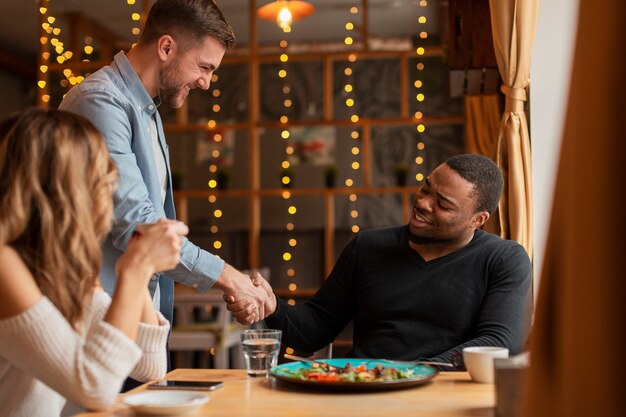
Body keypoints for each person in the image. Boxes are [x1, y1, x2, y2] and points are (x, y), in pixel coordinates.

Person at [59, 0, 269, 332]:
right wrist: (229, 278)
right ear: (166, 47)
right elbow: (138, 226)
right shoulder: (100, 102)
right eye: (204, 67)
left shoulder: (147, 111)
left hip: (135, 325)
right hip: (99, 326)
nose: (206, 82)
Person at [243, 154, 532, 367]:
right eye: (425, 188)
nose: (423, 203)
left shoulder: (504, 259)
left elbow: (500, 342)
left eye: (442, 204)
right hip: (362, 392)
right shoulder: (368, 246)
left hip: (444, 395)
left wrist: (415, 372)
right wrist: (273, 307)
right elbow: (315, 329)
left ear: (478, 220)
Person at [0, 108, 188, 417]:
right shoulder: (4, 262)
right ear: (62, 187)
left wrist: (137, 265)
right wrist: (135, 270)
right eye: (98, 174)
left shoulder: (60, 262)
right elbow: (95, 387)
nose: (109, 187)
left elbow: (150, 365)